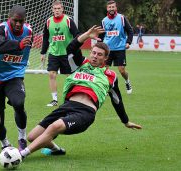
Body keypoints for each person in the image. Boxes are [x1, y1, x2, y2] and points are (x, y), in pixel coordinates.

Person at [19, 26, 142, 159]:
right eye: (93, 53)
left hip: (85, 113)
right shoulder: (80, 64)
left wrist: (126, 121)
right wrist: (86, 35)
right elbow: (71, 49)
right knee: (32, 136)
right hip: (66, 106)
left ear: (106, 58)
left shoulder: (110, 76)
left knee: (55, 126)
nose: (95, 56)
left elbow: (117, 100)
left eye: (99, 54)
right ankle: (56, 150)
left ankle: (22, 154)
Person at [0, 5, 32, 151]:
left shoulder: (28, 32)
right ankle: (5, 144)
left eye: (21, 21)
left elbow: (25, 53)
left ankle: (22, 137)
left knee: (19, 103)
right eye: (15, 21)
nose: (17, 24)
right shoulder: (1, 29)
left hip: (13, 76)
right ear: (9, 19)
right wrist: (18, 44)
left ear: (24, 21)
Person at [40, 0, 79, 106]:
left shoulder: (68, 20)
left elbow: (77, 35)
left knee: (69, 76)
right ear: (52, 10)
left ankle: (73, 98)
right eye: (55, 9)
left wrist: (74, 50)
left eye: (58, 9)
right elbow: (45, 38)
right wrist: (43, 53)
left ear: (62, 9)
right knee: (52, 74)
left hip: (67, 54)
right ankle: (54, 100)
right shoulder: (48, 22)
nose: (57, 11)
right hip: (53, 53)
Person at [99, 0, 134, 94]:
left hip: (120, 49)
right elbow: (101, 36)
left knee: (122, 70)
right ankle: (106, 88)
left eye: (113, 7)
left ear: (116, 8)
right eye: (109, 7)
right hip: (107, 49)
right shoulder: (104, 21)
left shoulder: (122, 18)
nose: (111, 9)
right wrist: (99, 46)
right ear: (107, 8)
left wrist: (128, 42)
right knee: (104, 69)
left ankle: (127, 81)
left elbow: (130, 31)